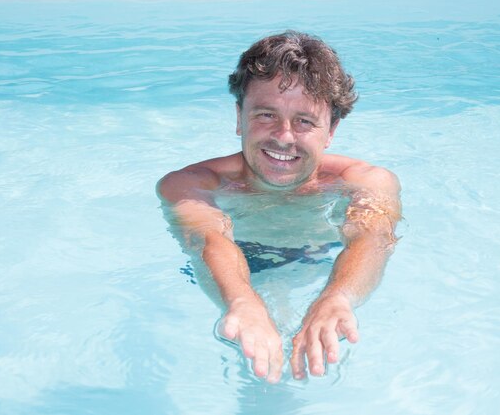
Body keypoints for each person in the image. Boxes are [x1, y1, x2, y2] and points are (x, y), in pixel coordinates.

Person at [158, 30, 401, 384]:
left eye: (304, 121)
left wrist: (338, 297)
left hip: (318, 266)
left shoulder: (365, 181)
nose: (284, 136)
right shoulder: (190, 184)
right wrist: (242, 301)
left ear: (331, 130)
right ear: (239, 116)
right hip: (231, 272)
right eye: (266, 115)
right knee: (251, 364)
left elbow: (373, 236)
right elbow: (207, 238)